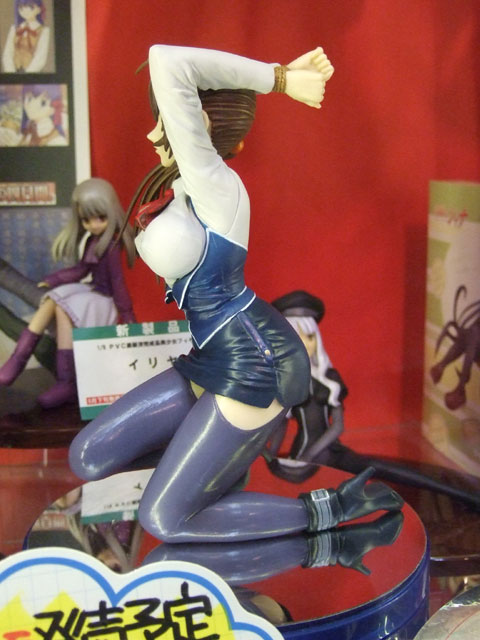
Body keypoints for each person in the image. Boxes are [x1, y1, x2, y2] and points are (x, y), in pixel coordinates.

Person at [69, 45, 403, 544]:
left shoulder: (215, 184)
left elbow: (166, 59)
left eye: (164, 121)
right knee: (88, 456)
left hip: (256, 363)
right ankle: (214, 473)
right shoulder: (187, 189)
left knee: (162, 519)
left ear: (197, 121)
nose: (153, 134)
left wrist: (279, 79)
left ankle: (331, 509)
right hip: (212, 355)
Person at [0, 177, 136, 408]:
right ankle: (18, 361)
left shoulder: (112, 246)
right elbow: (81, 270)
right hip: (91, 290)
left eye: (100, 218)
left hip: (103, 300)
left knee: (62, 307)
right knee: (51, 301)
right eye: (86, 220)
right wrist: (53, 280)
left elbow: (118, 282)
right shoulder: (93, 241)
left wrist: (128, 315)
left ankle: (64, 381)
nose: (93, 225)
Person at [2, 0, 50, 73]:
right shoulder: (14, 29)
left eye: (30, 7)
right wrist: (11, 73)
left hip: (33, 75)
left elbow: (40, 58)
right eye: (21, 7)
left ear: (39, 9)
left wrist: (27, 75)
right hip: (13, 73)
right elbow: (7, 53)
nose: (25, 10)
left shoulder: (44, 31)